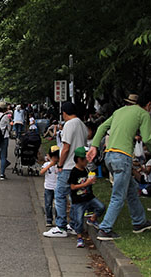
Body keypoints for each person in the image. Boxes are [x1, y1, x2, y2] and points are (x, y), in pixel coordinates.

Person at [87, 91, 151, 240]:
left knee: (130, 190)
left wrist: (94, 146)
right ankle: (105, 228)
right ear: (148, 105)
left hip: (109, 156)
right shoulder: (143, 114)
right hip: (123, 158)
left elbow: (103, 127)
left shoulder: (118, 112)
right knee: (118, 196)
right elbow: (147, 138)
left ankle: (139, 221)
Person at [44, 102, 88, 238]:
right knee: (74, 196)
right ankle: (74, 225)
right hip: (79, 165)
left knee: (60, 194)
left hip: (68, 165)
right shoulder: (81, 124)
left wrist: (60, 164)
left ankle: (61, 226)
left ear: (64, 112)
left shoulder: (69, 125)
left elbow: (66, 147)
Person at [69, 147, 106, 248]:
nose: (86, 161)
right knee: (79, 220)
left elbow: (88, 182)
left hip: (89, 197)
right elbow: (72, 187)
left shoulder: (86, 170)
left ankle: (92, 219)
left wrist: (91, 181)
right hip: (78, 200)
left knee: (101, 207)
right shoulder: (74, 172)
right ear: (79, 160)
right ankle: (80, 237)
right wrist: (85, 184)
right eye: (85, 159)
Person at [40, 146, 60, 227]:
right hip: (48, 187)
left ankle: (58, 219)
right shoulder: (47, 164)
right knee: (48, 204)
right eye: (53, 157)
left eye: (57, 157)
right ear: (49, 157)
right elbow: (41, 172)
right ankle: (49, 219)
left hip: (57, 187)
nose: (55, 159)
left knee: (58, 204)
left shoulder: (60, 165)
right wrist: (50, 165)